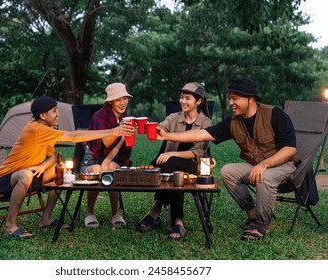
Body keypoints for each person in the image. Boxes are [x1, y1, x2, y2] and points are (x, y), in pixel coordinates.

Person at [156, 77, 300, 241]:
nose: (231, 102)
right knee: (228, 171)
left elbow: (289, 149)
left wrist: (264, 164)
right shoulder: (233, 122)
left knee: (264, 176)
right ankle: (252, 215)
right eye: (230, 98)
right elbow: (202, 134)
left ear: (250, 98)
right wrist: (167, 135)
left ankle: (262, 225)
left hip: (283, 165)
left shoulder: (274, 114)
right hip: (256, 165)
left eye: (235, 98)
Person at [0, 96, 135, 239]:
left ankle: (46, 219)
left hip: (30, 174)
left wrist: (43, 166)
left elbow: (52, 157)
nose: (58, 114)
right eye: (54, 111)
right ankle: (10, 225)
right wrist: (113, 131)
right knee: (25, 175)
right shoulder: (36, 129)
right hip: (2, 181)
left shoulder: (45, 130)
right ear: (43, 115)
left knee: (59, 170)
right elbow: (73, 136)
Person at [136, 82, 212, 240]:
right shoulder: (173, 117)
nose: (182, 101)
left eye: (187, 98)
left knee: (174, 165)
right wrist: (152, 130)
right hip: (169, 167)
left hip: (192, 167)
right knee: (174, 169)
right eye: (181, 98)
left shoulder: (206, 123)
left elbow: (198, 151)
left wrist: (172, 155)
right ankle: (177, 221)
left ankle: (155, 211)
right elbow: (161, 128)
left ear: (198, 101)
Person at [80, 83, 133, 228]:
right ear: (110, 101)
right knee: (98, 169)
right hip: (91, 160)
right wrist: (120, 130)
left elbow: (119, 146)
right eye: (118, 100)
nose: (123, 103)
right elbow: (106, 142)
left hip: (112, 159)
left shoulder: (125, 118)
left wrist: (108, 160)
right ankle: (89, 212)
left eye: (125, 99)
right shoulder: (100, 116)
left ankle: (115, 213)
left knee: (111, 169)